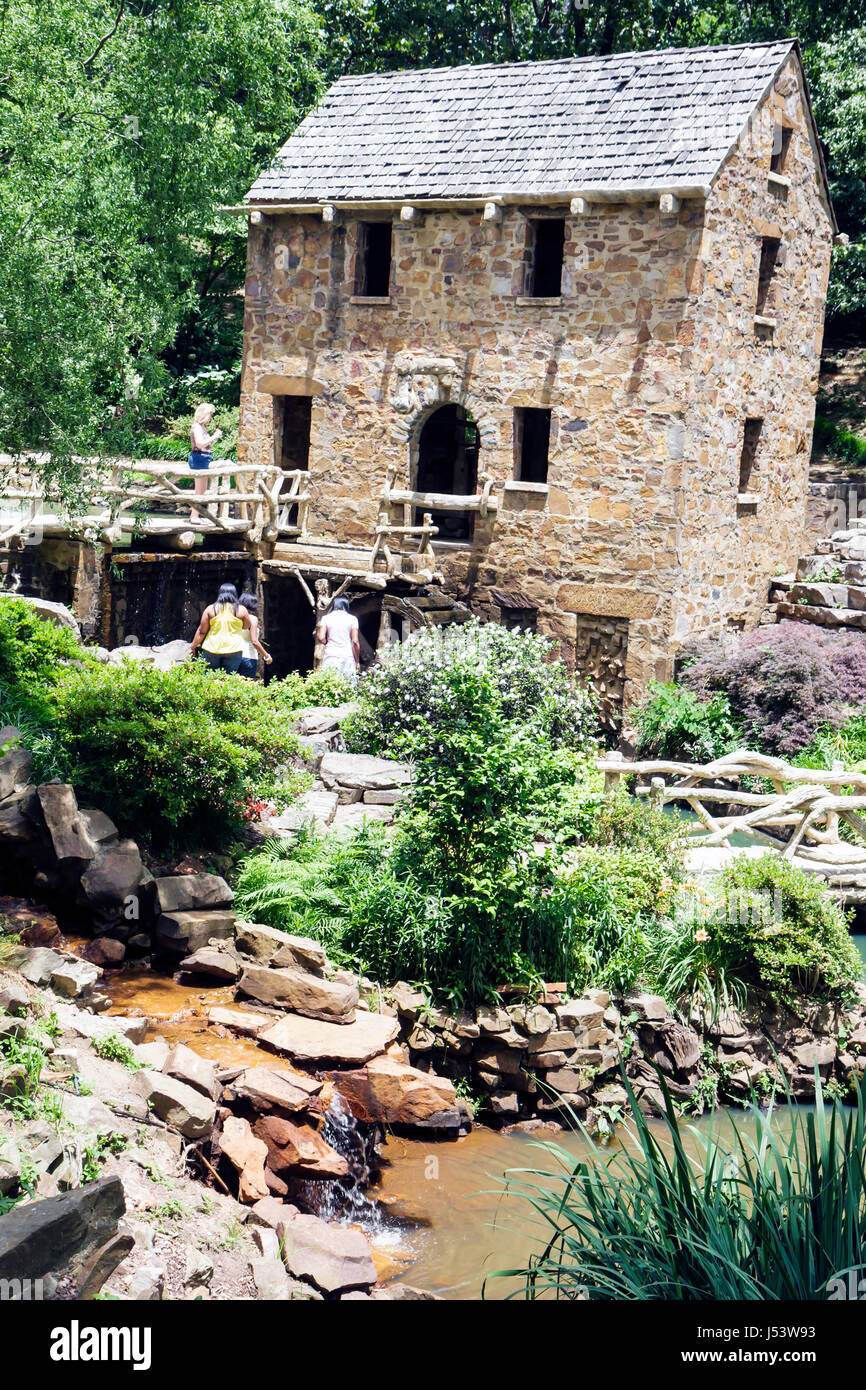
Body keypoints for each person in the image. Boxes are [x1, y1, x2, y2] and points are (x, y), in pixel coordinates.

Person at [189, 584, 251, 673]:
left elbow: (202, 631)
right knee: (228, 680)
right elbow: (246, 626)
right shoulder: (241, 610)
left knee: (208, 679)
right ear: (234, 594)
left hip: (212, 648)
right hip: (234, 649)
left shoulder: (210, 609)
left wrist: (193, 647)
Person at [188, 402, 223, 521]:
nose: (211, 418)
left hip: (204, 459)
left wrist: (215, 437)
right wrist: (213, 437)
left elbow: (206, 445)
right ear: (203, 414)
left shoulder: (202, 427)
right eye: (210, 415)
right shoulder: (196, 427)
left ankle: (195, 514)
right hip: (198, 459)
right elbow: (199, 444)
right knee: (199, 490)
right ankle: (194, 516)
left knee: (202, 490)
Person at [316, 596, 360, 682]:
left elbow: (321, 637)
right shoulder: (353, 619)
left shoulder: (325, 618)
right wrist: (357, 661)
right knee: (348, 685)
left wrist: (326, 642)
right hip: (347, 655)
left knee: (329, 683)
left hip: (330, 654)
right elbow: (355, 641)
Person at [236, 591, 273, 678]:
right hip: (248, 656)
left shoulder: (235, 618)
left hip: (234, 656)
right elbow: (254, 641)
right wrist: (267, 656)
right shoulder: (252, 619)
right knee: (246, 688)